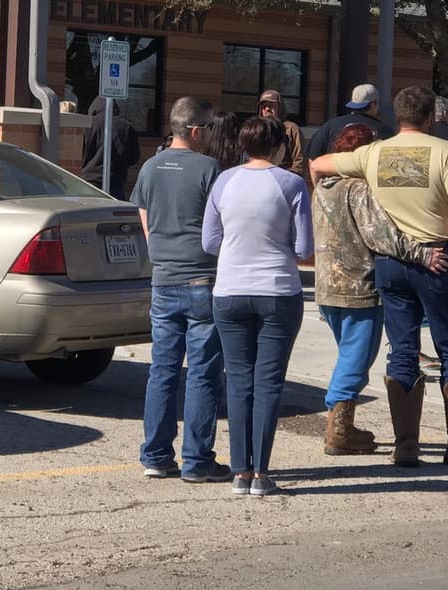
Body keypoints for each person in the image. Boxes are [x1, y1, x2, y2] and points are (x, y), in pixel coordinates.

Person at [311, 85, 448, 467]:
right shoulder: (445, 151)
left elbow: (318, 165)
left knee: (402, 350)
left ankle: (406, 445)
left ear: (396, 116)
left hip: (390, 262)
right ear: (431, 116)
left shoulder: (374, 153)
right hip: (436, 255)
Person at [313, 123, 448, 455]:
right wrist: (422, 254)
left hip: (327, 286)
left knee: (347, 355)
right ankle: (338, 429)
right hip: (358, 286)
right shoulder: (358, 189)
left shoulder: (322, 189)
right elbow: (381, 235)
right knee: (355, 360)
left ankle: (343, 423)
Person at [203, 116, 313, 496]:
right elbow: (303, 248)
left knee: (238, 380)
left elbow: (209, 242)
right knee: (268, 382)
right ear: (280, 146)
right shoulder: (291, 183)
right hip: (278, 290)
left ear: (244, 146)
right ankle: (261, 473)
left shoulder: (224, 181)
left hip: (230, 289)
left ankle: (239, 472)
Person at [132, 96, 228, 485]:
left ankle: (156, 456)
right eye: (210, 127)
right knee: (203, 372)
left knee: (162, 370)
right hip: (201, 278)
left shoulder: (150, 167)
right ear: (195, 130)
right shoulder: (209, 169)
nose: (212, 134)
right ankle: (197, 460)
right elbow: (220, 224)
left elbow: (145, 221)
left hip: (163, 279)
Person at [306, 83, 395, 164]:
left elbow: (312, 158)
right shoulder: (385, 131)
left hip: (334, 175)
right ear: (373, 104)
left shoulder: (330, 125)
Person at [81, 97, 140, 200]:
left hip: (90, 180)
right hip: (116, 180)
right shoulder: (126, 126)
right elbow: (134, 156)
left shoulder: (90, 124)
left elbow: (83, 152)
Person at [255, 89, 303, 174]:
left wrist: (288, 176)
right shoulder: (256, 129)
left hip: (285, 175)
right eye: (264, 106)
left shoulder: (291, 128)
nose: (267, 109)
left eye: (271, 105)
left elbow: (299, 159)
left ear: (280, 107)